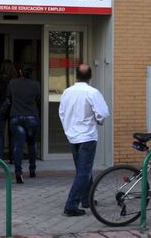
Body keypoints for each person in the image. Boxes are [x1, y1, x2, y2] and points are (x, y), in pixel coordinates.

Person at [59, 64, 109, 216]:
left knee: (82, 170)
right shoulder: (92, 92)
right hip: (87, 136)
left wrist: (68, 129)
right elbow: (103, 113)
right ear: (90, 76)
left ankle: (86, 199)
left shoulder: (67, 92)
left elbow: (62, 113)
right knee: (84, 172)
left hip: (72, 137)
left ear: (76, 76)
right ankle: (71, 205)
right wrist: (98, 121)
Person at [6, 67, 40, 184]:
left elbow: (8, 98)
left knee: (18, 146)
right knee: (32, 144)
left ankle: (18, 173)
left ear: (20, 72)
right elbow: (37, 99)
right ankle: (32, 170)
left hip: (16, 116)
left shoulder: (12, 83)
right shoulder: (36, 85)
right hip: (31, 116)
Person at [0, 59, 16, 167]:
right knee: (12, 134)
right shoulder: (15, 80)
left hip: (0, 107)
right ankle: (13, 158)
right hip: (13, 108)